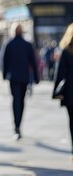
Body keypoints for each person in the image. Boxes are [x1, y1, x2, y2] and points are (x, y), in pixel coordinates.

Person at [3, 24, 39, 140]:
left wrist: (4, 75)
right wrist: (36, 77)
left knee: (15, 100)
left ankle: (16, 125)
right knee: (21, 101)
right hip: (24, 77)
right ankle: (18, 125)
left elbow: (4, 61)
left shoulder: (9, 44)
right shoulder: (27, 45)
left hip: (14, 78)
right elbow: (33, 62)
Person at [52, 23, 73, 160]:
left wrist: (56, 92)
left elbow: (60, 74)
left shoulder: (66, 51)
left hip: (70, 93)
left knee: (72, 121)